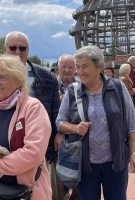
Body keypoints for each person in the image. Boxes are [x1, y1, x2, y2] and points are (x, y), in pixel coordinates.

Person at [56, 46, 135, 200]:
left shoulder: (117, 87)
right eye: (79, 67)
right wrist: (75, 128)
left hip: (116, 163)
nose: (80, 72)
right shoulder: (72, 91)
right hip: (85, 165)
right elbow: (60, 122)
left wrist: (134, 154)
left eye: (85, 67)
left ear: (100, 67)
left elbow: (132, 123)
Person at [0, 55, 52, 199]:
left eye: (2, 78)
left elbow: (33, 154)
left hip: (26, 192)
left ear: (18, 80)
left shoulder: (33, 107)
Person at [0, 31, 60, 165]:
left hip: (37, 143)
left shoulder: (47, 77)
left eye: (22, 48)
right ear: (5, 49)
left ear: (28, 50)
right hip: (1, 147)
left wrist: (59, 134)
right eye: (12, 48)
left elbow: (55, 110)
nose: (17, 52)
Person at [51, 54, 80, 200]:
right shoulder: (51, 85)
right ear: (58, 68)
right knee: (58, 173)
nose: (67, 70)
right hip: (56, 138)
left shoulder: (82, 85)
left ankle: (75, 197)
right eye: (64, 66)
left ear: (75, 69)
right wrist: (58, 133)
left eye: (70, 67)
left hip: (78, 137)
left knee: (79, 173)